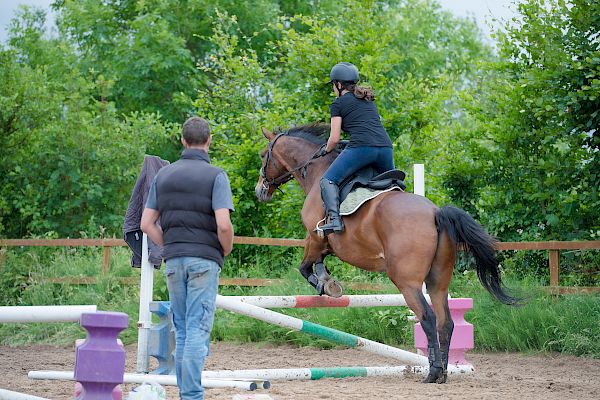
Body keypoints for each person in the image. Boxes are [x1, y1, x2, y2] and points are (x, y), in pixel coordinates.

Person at [141, 116, 234, 400]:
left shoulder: (163, 176)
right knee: (197, 328)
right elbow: (224, 225)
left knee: (181, 329)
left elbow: (146, 223)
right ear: (209, 141)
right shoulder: (216, 176)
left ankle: (187, 394)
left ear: (183, 140)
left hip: (174, 260)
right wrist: (225, 248)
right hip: (204, 260)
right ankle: (192, 395)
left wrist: (169, 244)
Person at [318, 62, 395, 235]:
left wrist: (326, 150)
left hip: (362, 148)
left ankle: (335, 221)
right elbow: (366, 128)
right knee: (393, 184)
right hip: (385, 148)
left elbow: (334, 138)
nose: (333, 89)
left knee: (327, 180)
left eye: (333, 85)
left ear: (338, 84)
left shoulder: (337, 104)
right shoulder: (367, 100)